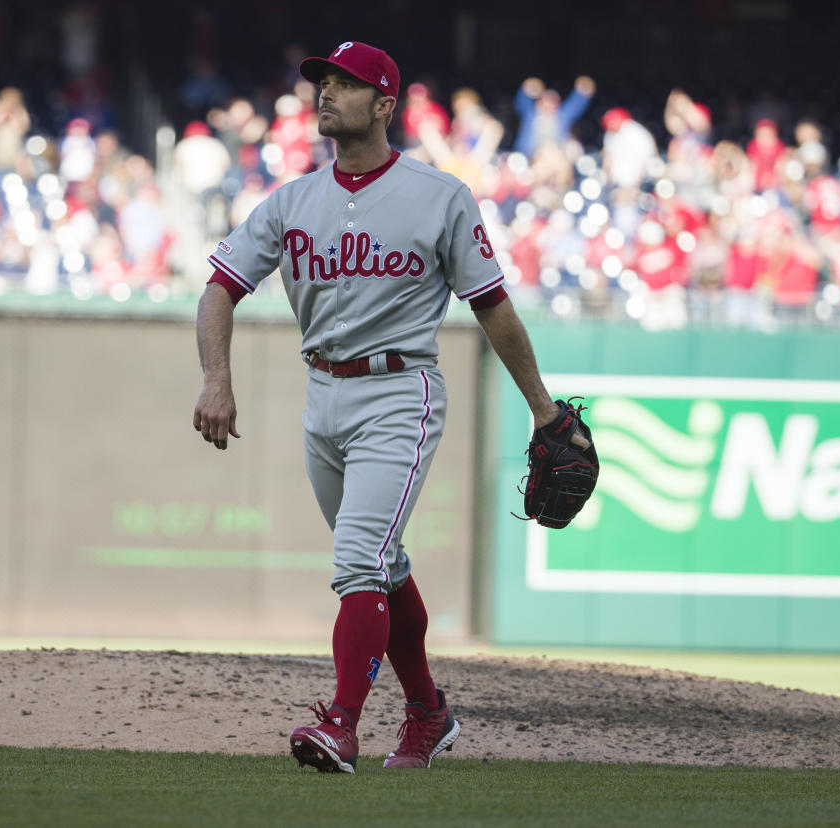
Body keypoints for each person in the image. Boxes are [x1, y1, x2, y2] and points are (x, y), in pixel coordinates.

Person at [192, 41, 587, 774]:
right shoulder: (292, 199)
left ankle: (341, 724)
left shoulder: (439, 195)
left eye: (346, 84)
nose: (326, 94)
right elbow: (219, 286)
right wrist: (216, 377)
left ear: (384, 106)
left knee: (356, 562)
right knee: (384, 564)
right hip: (323, 395)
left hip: (401, 391)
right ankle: (428, 713)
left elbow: (492, 307)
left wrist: (541, 407)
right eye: (323, 82)